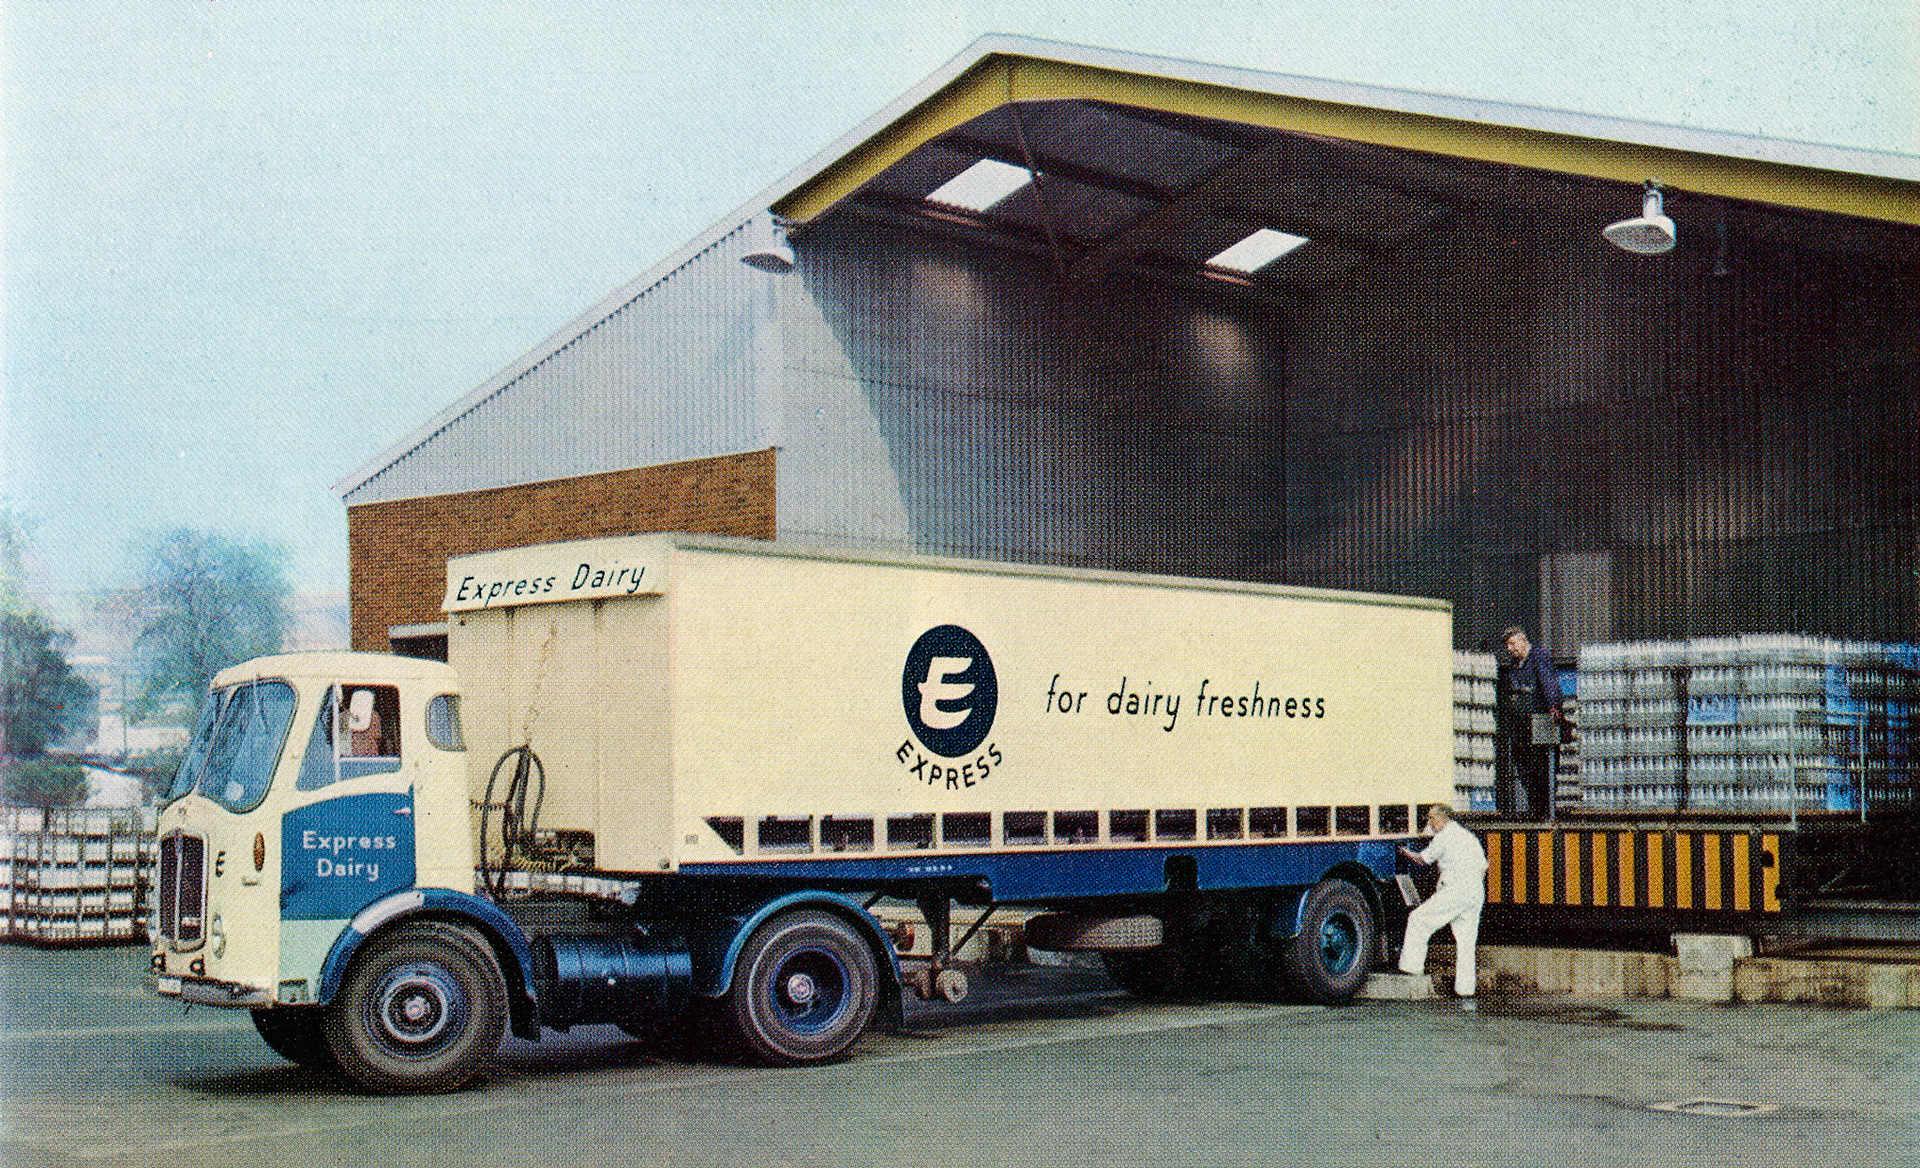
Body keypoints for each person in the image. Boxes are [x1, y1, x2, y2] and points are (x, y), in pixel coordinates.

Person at [1397, 803, 1488, 1007]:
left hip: (1455, 889)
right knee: (1466, 942)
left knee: (1418, 919)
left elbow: (1424, 859)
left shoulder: (1445, 837)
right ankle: (1465, 989)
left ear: (1443, 818)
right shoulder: (1467, 836)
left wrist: (1406, 853)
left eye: (1432, 818)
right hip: (1475, 890)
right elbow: (1483, 865)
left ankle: (1411, 968)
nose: (1429, 822)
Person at [1496, 626, 1563, 820]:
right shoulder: (1515, 665)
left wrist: (1553, 707)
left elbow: (1549, 683)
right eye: (1507, 645)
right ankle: (1535, 808)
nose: (1509, 649)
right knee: (1525, 768)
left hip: (1539, 722)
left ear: (1523, 640)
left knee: (1541, 768)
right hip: (1521, 725)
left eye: (1512, 643)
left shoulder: (1538, 657)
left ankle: (1544, 810)